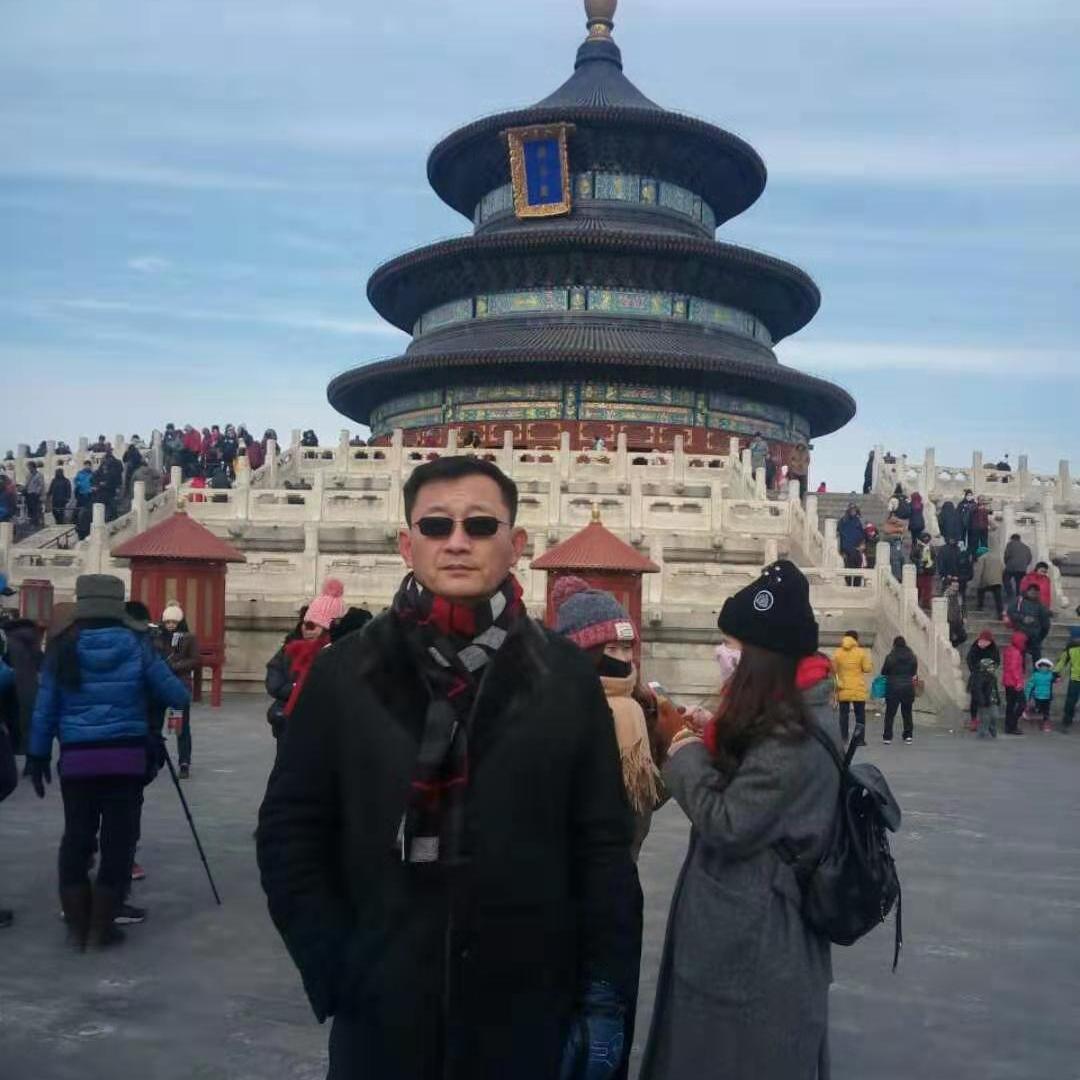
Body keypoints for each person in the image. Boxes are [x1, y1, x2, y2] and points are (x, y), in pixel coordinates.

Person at [257, 456, 642, 1080]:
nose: (457, 542)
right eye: (436, 526)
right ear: (406, 544)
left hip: (528, 1006)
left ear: (516, 544)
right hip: (382, 1006)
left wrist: (604, 992)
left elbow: (602, 845)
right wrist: (336, 964)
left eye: (480, 525)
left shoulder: (566, 677)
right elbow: (289, 829)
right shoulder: (343, 673)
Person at [639, 560, 839, 1079]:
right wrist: (709, 732)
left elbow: (729, 821)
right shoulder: (788, 710)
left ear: (762, 658)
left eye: (735, 647)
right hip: (745, 923)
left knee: (733, 1054)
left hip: (758, 936)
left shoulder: (793, 734)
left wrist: (680, 746)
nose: (726, 657)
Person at [24, 575, 189, 948]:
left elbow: (45, 708)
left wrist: (37, 753)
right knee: (119, 843)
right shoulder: (138, 644)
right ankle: (103, 926)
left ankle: (76, 926)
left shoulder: (62, 647)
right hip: (125, 759)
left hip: (78, 760)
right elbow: (177, 695)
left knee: (77, 838)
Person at [554, 576, 662, 860]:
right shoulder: (558, 708)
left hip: (626, 858)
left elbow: (647, 800)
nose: (623, 659)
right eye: (611, 650)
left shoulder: (640, 705)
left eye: (626, 648)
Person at [278, 579, 345, 720]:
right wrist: (293, 688)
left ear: (327, 629)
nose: (306, 629)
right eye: (304, 624)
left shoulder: (338, 656)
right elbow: (275, 681)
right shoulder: (291, 649)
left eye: (311, 625)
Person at [151, 604, 200, 779]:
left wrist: (175, 667)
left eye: (174, 622)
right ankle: (154, 759)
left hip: (177, 686)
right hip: (159, 687)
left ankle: (184, 762)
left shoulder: (184, 638)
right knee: (155, 724)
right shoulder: (157, 636)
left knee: (179, 726)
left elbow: (194, 660)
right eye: (168, 622)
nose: (170, 625)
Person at [832, 629, 871, 743]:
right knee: (860, 715)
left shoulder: (838, 652)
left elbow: (833, 669)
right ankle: (859, 739)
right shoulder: (861, 652)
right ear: (856, 639)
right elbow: (867, 669)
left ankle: (844, 738)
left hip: (843, 687)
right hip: (858, 688)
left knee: (843, 715)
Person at [881, 635, 918, 743]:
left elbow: (884, 671)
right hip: (908, 687)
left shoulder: (890, 657)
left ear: (894, 644)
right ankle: (908, 735)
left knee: (890, 713)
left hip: (893, 687)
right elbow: (913, 672)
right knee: (907, 713)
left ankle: (887, 737)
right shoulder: (912, 657)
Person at [1007, 584, 1050, 664]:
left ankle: (1037, 671)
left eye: (1035, 592)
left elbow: (1045, 624)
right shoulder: (1019, 601)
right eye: (1031, 591)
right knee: (1019, 656)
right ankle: (1020, 670)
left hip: (1035, 635)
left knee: (1037, 657)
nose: (1033, 593)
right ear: (1027, 591)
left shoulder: (1040, 605)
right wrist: (1023, 618)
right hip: (1021, 633)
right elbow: (1010, 612)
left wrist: (1040, 636)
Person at [966, 631, 1000, 731]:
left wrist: (990, 668)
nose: (983, 643)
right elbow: (970, 660)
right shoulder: (975, 647)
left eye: (986, 642)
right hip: (976, 675)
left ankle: (987, 721)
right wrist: (975, 669)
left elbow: (997, 661)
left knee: (987, 698)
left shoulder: (993, 648)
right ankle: (974, 719)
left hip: (989, 677)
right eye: (981, 641)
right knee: (975, 698)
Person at [1054, 627, 1080, 731]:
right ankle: (1066, 721)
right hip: (1075, 679)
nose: (1073, 639)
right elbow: (1062, 661)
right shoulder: (1070, 648)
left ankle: (1067, 721)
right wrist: (1056, 672)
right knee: (1070, 702)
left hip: (1075, 679)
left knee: (1071, 701)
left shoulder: (1070, 647)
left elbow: (1062, 661)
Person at [1002, 631, 1028, 735]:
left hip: (1008, 681)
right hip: (1014, 682)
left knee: (1010, 705)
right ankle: (1012, 725)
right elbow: (1013, 669)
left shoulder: (1008, 650)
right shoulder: (1016, 652)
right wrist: (1018, 682)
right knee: (1022, 704)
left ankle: (1008, 726)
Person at [1025, 658, 1057, 733]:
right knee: (1037, 709)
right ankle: (1027, 710)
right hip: (1037, 696)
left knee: (1046, 711)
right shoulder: (1035, 675)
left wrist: (1057, 678)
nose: (1044, 668)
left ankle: (1046, 724)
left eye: (1046, 666)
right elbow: (1029, 685)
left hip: (1047, 697)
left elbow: (1055, 680)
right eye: (1042, 666)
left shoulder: (1050, 675)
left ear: (1048, 667)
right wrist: (1027, 695)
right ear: (1039, 667)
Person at [972, 545, 1005, 618]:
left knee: (980, 591)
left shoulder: (982, 558)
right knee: (998, 598)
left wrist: (976, 582)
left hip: (987, 580)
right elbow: (1003, 568)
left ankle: (980, 607)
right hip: (997, 580)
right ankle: (1000, 613)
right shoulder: (997, 558)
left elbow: (979, 571)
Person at [972, 657, 1001, 739]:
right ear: (985, 667)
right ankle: (983, 733)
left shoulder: (993, 677)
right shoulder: (979, 677)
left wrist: (998, 698)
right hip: (984, 701)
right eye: (990, 667)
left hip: (993, 700)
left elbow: (995, 689)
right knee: (984, 718)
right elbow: (978, 690)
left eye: (993, 667)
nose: (992, 668)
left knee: (995, 716)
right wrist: (981, 700)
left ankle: (992, 727)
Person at [1003, 533, 1033, 600]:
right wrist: (1024, 565)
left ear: (1012, 539)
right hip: (1022, 568)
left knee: (1005, 578)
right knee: (1019, 582)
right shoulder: (1026, 547)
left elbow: (1006, 555)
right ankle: (1018, 596)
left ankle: (1010, 594)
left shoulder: (1010, 544)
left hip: (1011, 566)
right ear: (1019, 539)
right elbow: (1029, 558)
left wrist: (1006, 563)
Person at [913, 532, 937, 610]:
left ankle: (926, 603)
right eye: (924, 538)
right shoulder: (917, 547)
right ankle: (917, 602)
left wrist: (933, 567)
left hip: (929, 570)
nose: (926, 539)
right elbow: (912, 557)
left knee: (928, 588)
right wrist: (919, 561)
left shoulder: (931, 548)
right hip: (921, 570)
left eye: (927, 538)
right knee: (919, 587)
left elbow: (934, 558)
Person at [946, 578, 966, 647]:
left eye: (957, 586)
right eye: (954, 586)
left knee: (963, 636)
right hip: (949, 620)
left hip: (958, 620)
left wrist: (964, 616)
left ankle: (953, 645)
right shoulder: (946, 596)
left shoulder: (959, 596)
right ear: (950, 586)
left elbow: (963, 607)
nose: (956, 588)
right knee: (950, 637)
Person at [24, 461, 45, 527]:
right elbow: (26, 484)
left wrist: (37, 493)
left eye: (29, 467)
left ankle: (37, 523)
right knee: (30, 509)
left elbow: (41, 485)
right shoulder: (28, 475)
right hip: (28, 494)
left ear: (33, 467)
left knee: (36, 509)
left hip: (35, 494)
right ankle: (32, 522)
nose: (29, 469)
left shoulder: (39, 475)